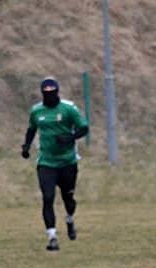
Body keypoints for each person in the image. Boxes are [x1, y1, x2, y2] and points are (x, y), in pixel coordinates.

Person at [20, 77, 89, 251]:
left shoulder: (68, 108)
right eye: (46, 93)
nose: (49, 96)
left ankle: (69, 219)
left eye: (52, 92)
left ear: (57, 92)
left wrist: (70, 138)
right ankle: (52, 237)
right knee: (48, 197)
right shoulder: (37, 111)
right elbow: (31, 129)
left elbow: (84, 128)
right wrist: (26, 146)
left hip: (67, 161)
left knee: (68, 198)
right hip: (46, 161)